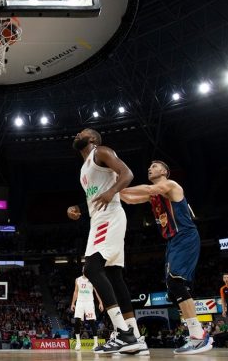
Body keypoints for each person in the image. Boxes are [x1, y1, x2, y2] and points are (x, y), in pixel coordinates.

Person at [67, 128, 148, 355]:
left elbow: (127, 174)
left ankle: (123, 332)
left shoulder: (100, 151)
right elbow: (96, 196)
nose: (77, 134)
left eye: (81, 132)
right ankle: (135, 337)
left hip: (109, 216)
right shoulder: (84, 168)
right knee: (113, 276)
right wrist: (78, 209)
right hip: (99, 218)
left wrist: (112, 191)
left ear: (92, 138)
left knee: (91, 269)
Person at [119, 160, 213, 354]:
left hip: (185, 236)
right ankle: (195, 333)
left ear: (164, 171)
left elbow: (148, 189)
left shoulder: (170, 185)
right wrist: (112, 192)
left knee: (176, 282)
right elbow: (130, 200)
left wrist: (117, 188)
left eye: (154, 166)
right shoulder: (153, 195)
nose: (149, 168)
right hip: (172, 242)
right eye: (149, 167)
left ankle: (198, 335)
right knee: (173, 289)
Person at [71, 272, 103, 350]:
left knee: (91, 322)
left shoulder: (92, 279)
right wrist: (73, 303)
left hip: (89, 302)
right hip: (80, 302)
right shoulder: (77, 279)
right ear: (82, 270)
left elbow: (96, 292)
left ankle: (95, 343)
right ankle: (78, 343)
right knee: (77, 321)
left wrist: (100, 302)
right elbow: (75, 292)